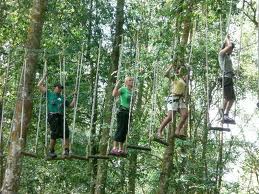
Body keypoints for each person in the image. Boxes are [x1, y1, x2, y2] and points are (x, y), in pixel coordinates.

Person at [38, 73, 76, 158]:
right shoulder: (49, 94)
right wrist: (44, 76)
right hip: (53, 116)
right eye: (58, 88)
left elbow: (71, 106)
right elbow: (39, 85)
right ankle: (51, 151)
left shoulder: (62, 98)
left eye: (61, 88)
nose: (60, 89)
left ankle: (66, 150)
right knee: (54, 133)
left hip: (61, 116)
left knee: (66, 132)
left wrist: (74, 97)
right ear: (54, 88)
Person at [157, 63, 188, 140]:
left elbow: (182, 88)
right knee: (170, 117)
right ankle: (159, 131)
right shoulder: (176, 77)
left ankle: (178, 130)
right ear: (178, 70)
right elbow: (166, 74)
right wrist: (171, 66)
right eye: (181, 69)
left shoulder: (183, 79)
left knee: (185, 115)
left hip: (180, 99)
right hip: (173, 98)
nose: (182, 70)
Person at [110, 76, 134, 156]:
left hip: (128, 113)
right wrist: (116, 86)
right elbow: (114, 94)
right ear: (126, 82)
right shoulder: (123, 89)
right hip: (122, 111)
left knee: (124, 131)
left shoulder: (132, 91)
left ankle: (120, 149)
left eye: (132, 80)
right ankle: (114, 148)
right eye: (130, 80)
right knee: (120, 128)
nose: (132, 81)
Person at [218, 35, 236, 123]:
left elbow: (230, 46)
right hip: (225, 78)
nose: (231, 50)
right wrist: (227, 38)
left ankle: (226, 115)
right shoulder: (221, 54)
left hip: (229, 78)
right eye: (230, 48)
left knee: (232, 98)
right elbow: (229, 46)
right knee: (227, 97)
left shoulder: (227, 56)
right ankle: (221, 110)